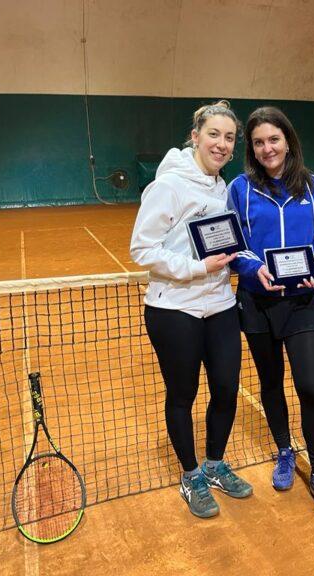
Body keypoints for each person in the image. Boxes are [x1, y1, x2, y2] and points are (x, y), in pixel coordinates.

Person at [130, 100, 252, 518]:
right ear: (195, 136)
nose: (221, 144)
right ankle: (191, 474)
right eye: (213, 134)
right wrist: (195, 267)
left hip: (221, 304)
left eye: (229, 137)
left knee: (226, 388)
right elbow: (142, 248)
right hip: (173, 309)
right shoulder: (169, 185)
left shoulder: (222, 187)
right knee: (182, 395)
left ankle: (215, 464)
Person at [227, 106, 314, 519]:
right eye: (258, 142)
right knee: (270, 381)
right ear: (252, 149)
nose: (267, 148)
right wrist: (254, 268)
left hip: (302, 302)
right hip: (257, 303)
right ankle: (283, 450)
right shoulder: (239, 188)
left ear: (288, 141)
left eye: (273, 139)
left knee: (311, 386)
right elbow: (233, 242)